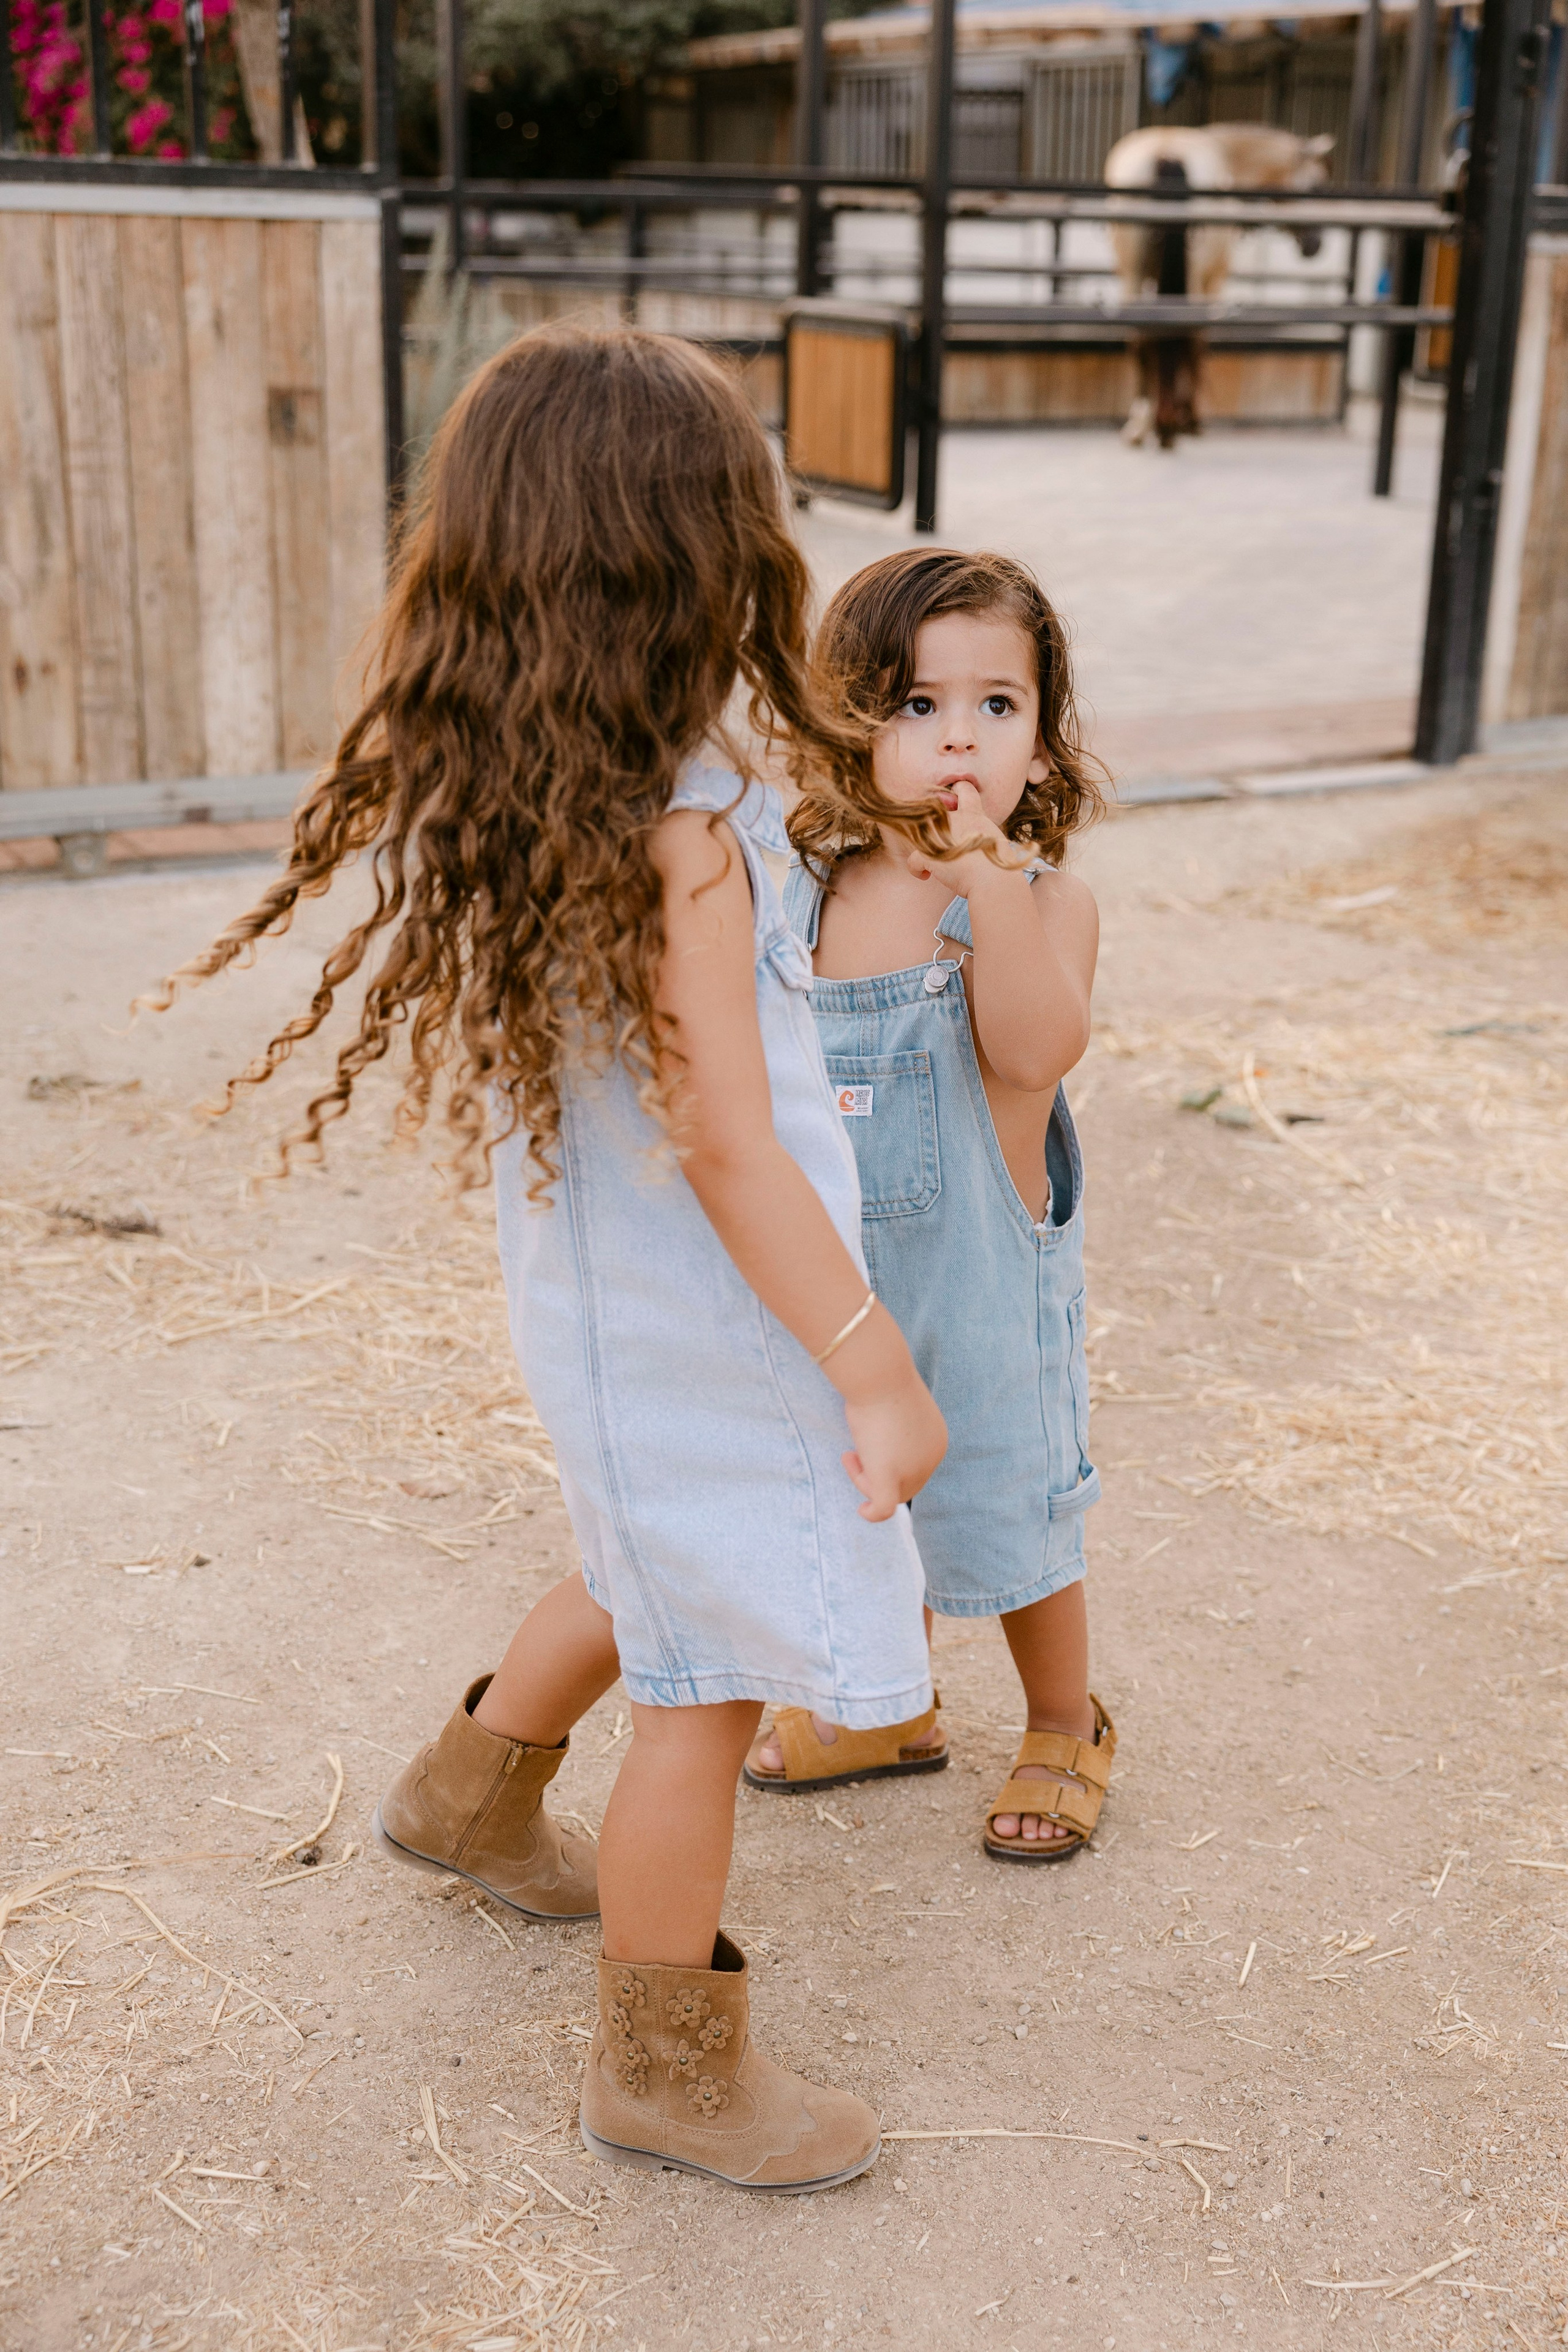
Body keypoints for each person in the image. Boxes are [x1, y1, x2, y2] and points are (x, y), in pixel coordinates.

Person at [141, 327, 947, 2193]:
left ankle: (465, 1797)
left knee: (645, 1562)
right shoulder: (684, 831)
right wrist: (870, 1358)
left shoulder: (539, 778)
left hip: (612, 1299)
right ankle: (662, 2067)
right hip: (713, 1310)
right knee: (701, 1682)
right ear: (699, 556)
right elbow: (729, 1142)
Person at [746, 548, 1116, 1863]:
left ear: (1041, 729)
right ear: (846, 721)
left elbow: (1030, 1054)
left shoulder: (1041, 901)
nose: (957, 738)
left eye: (996, 706)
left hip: (979, 1286)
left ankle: (1063, 1719)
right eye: (915, 705)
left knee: (1012, 1508)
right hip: (838, 1286)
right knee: (853, 1500)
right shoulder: (799, 894)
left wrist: (986, 890)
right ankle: (887, 1711)